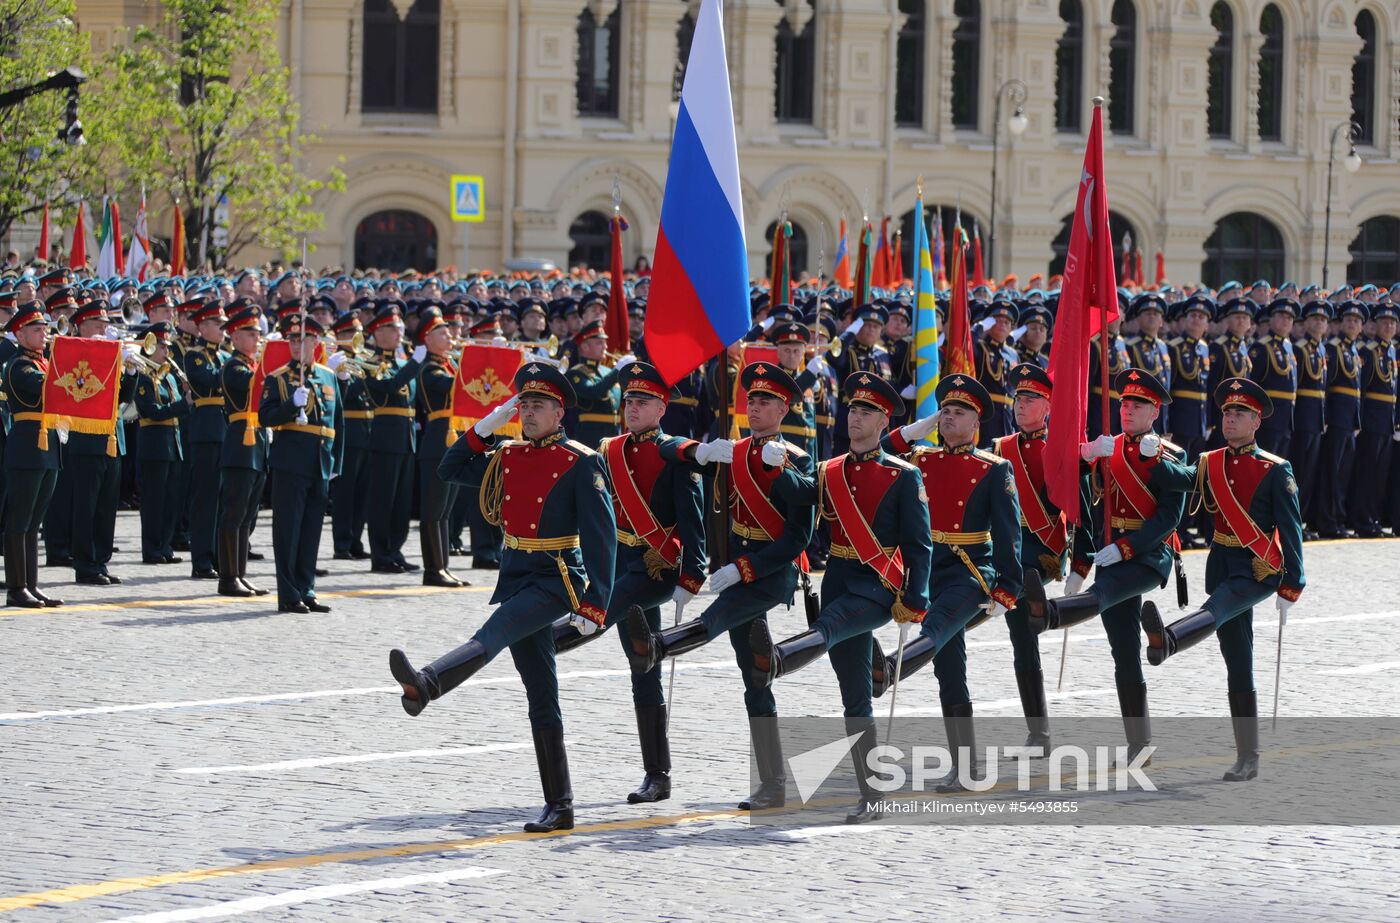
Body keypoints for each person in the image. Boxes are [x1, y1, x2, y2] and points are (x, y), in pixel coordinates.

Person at [390, 361, 616, 833]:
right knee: (541, 692)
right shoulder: (508, 455)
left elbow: (602, 538)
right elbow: (450, 468)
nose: (529, 413)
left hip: (555, 577)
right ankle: (561, 804)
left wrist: (597, 602)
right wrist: (487, 426)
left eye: (539, 406)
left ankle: (428, 683)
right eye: (525, 405)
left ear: (560, 413)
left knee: (492, 634)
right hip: (516, 573)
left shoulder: (581, 461)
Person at [624, 361, 816, 811]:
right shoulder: (733, 453)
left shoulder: (798, 459)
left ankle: (658, 646)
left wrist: (743, 569)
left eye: (765, 401)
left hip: (771, 574)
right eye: (751, 399)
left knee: (718, 619)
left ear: (783, 408)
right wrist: (705, 453)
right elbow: (680, 470)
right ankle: (774, 782)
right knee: (754, 676)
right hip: (735, 569)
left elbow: (798, 538)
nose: (756, 406)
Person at [748, 371, 931, 823]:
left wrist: (916, 598)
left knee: (828, 627)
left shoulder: (903, 476)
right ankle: (872, 794)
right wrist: (776, 466)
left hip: (876, 585)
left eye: (866, 411)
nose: (855, 416)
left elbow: (920, 544)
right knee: (854, 696)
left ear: (884, 419)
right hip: (839, 578)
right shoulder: (831, 469)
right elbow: (802, 495)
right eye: (853, 408)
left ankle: (778, 658)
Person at [550, 361, 715, 804]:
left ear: (662, 408)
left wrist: (691, 575)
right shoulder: (610, 449)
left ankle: (540, 643)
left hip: (654, 568)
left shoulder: (674, 454)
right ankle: (657, 776)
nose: (633, 408)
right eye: (628, 400)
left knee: (595, 616)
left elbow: (693, 523)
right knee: (643, 665)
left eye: (642, 401)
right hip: (617, 562)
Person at [1022, 368, 1195, 764]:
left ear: (1155, 412)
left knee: (1104, 594)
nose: (1128, 410)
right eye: (1124, 403)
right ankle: (1140, 744)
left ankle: (1048, 614)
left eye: (1138, 405)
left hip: (1149, 554)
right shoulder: (1109, 446)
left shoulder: (1171, 455)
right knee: (1123, 651)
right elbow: (1069, 485)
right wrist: (1084, 456)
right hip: (1109, 551)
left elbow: (1169, 518)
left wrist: (1128, 548)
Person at [1141, 377, 1305, 782]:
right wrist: (1154, 457)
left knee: (1220, 606)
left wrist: (1293, 583)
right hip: (1222, 562)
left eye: (1240, 414)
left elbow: (1292, 527)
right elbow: (1181, 479)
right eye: (1227, 413)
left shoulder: (1274, 468)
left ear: (1256, 422)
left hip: (1257, 569)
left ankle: (1170, 639)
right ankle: (1248, 755)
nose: (1230, 419)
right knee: (1238, 659)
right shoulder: (1211, 460)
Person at [874, 374, 1022, 790]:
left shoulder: (994, 468)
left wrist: (1008, 587)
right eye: (945, 412)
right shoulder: (920, 460)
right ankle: (967, 766)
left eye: (959, 413)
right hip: (927, 568)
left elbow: (1010, 533)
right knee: (949, 668)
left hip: (969, 571)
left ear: (977, 422)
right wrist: (907, 434)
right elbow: (873, 455)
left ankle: (887, 669)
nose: (949, 419)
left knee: (935, 626)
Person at [992, 364, 1073, 751]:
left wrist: (1081, 560)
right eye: (1018, 399)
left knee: (1023, 624)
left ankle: (1038, 732)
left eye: (1030, 399)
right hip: (1006, 550)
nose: (1020, 406)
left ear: (1048, 405)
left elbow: (1078, 508)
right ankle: (1037, 732)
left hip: (1041, 552)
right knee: (1021, 639)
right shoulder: (1000, 449)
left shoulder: (1059, 446)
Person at [259, 315, 345, 613]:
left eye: (303, 338)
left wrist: (336, 461)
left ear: (315, 342)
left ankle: (307, 588)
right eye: (292, 339)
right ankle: (288, 593)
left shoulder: (327, 376)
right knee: (288, 530)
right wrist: (290, 405)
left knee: (311, 530)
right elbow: (265, 418)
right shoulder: (278, 378)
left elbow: (338, 423)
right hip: (291, 461)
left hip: (320, 461)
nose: (297, 344)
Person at [68, 301, 137, 586]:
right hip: (87, 440)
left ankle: (100, 561)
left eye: (105, 324)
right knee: (86, 504)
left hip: (112, 438)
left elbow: (124, 399)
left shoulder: (109, 354)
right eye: (97, 324)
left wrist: (130, 370)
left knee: (107, 505)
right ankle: (85, 564)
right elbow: (81, 390)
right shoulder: (75, 354)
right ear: (82, 326)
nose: (104, 329)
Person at [3, 303, 64, 607]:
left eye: (44, 329)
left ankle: (32, 583)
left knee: (34, 521)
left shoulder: (43, 363)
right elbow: (47, 388)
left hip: (48, 446)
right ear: (19, 333)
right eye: (37, 330)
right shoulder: (17, 365)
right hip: (27, 447)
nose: (44, 335)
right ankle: (16, 587)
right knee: (20, 520)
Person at [413, 307, 470, 587]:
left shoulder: (450, 365)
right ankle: (432, 569)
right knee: (433, 510)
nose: (450, 338)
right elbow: (457, 386)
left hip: (453, 440)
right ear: (428, 338)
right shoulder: (429, 369)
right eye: (443, 334)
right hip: (437, 442)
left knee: (445, 510)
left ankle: (443, 566)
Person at [363, 307, 423, 573]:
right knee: (383, 500)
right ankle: (380, 554)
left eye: (400, 327)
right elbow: (388, 387)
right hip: (385, 437)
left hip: (406, 436)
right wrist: (415, 363)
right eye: (392, 328)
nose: (399, 332)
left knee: (401, 501)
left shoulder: (402, 361)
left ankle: (395, 549)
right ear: (378, 332)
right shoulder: (372, 361)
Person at [216, 307, 270, 598]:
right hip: (240, 444)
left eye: (259, 334)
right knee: (234, 512)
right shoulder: (234, 368)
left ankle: (240, 573)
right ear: (235, 336)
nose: (257, 338)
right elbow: (254, 386)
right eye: (251, 333)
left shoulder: (251, 365)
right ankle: (227, 577)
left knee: (248, 514)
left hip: (258, 444)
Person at [134, 322, 190, 565]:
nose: (167, 351)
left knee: (170, 500)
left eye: (167, 346)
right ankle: (151, 549)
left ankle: (165, 546)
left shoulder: (168, 376)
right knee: (154, 502)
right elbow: (151, 411)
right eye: (161, 347)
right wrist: (183, 404)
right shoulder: (143, 376)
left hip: (172, 443)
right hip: (154, 444)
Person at [183, 301, 230, 579]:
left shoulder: (224, 356)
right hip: (207, 430)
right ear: (202, 327)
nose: (224, 330)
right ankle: (202, 560)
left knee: (224, 499)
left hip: (225, 429)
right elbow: (208, 380)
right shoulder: (195, 355)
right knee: (206, 499)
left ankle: (219, 555)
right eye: (218, 324)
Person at [1314, 302, 1364, 538]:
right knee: (1331, 473)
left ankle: (1337, 519)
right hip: (1334, 420)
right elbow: (1327, 386)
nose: (1352, 323)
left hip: (1348, 421)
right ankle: (1327, 520)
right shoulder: (1332, 348)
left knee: (1342, 473)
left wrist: (1356, 421)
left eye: (1356, 321)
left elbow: (1355, 391)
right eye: (1348, 320)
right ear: (1341, 323)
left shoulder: (1353, 350)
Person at [330, 313, 373, 560]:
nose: (356, 338)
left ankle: (356, 539)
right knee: (346, 492)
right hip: (350, 430)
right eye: (350, 333)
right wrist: (342, 376)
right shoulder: (336, 362)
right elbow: (338, 399)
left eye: (358, 332)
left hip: (369, 430)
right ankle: (342, 543)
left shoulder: (363, 360)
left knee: (363, 492)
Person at [564, 320, 627, 447]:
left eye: (605, 343)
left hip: (615, 435)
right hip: (590, 438)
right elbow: (594, 392)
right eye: (600, 343)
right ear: (585, 347)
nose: (605, 347)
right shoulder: (575, 374)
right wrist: (617, 371)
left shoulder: (608, 372)